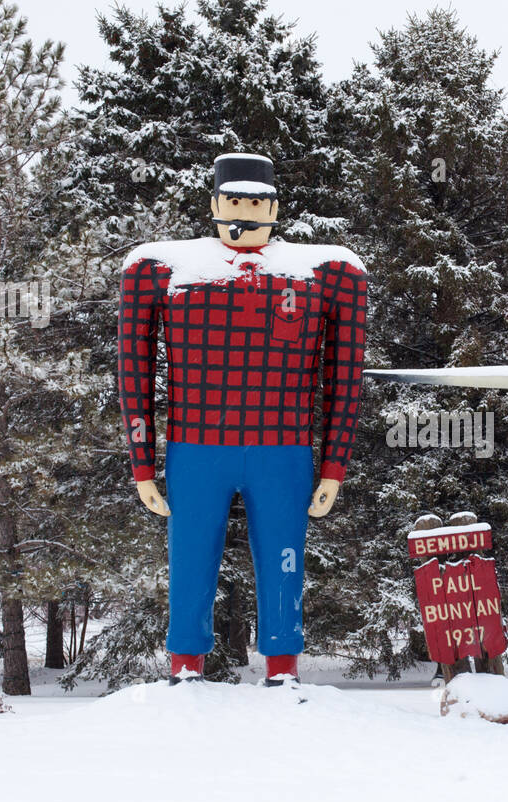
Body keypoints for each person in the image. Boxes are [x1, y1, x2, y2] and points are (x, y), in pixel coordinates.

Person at [118, 153, 368, 686]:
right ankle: (185, 666)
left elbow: (344, 377)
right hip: (197, 446)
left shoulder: (328, 273)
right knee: (189, 557)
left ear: (275, 207)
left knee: (284, 557)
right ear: (215, 204)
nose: (246, 213)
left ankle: (283, 668)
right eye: (235, 201)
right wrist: (142, 464)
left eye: (257, 202)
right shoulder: (160, 270)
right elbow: (134, 369)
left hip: (283, 447)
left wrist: (333, 467)